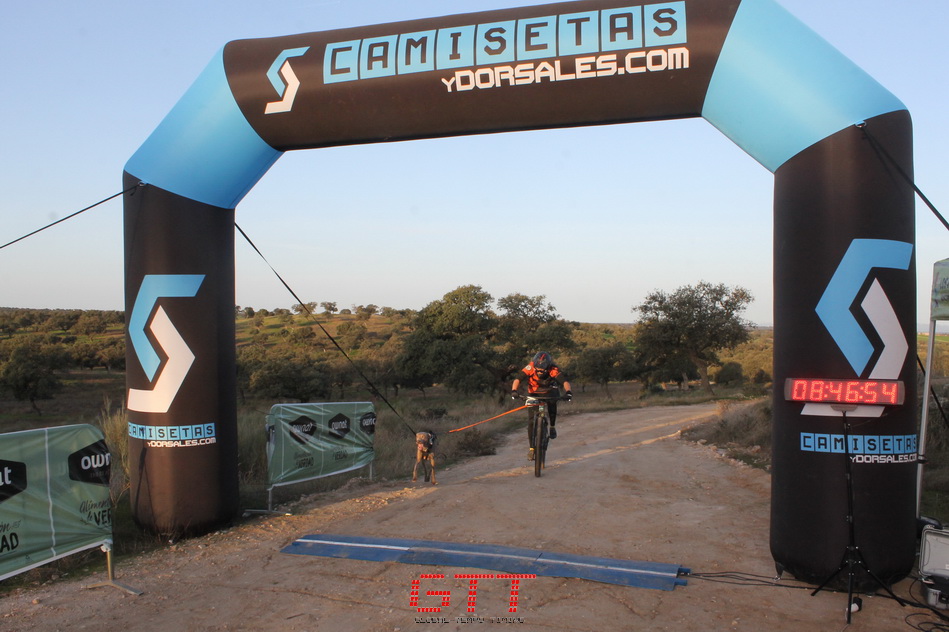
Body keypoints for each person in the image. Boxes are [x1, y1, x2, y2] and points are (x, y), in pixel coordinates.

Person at [511, 351, 572, 461]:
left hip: (549, 392)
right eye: (538, 369)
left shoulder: (553, 369)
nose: (539, 371)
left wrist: (568, 392)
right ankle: (532, 448)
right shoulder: (530, 367)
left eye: (542, 370)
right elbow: (518, 378)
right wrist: (514, 390)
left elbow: (564, 382)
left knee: (553, 403)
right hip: (534, 393)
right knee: (531, 421)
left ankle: (552, 426)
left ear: (548, 367)